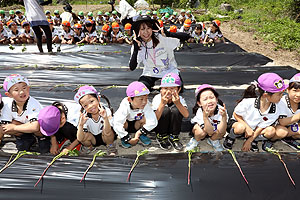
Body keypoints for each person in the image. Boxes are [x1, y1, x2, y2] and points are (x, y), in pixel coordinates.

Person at [223, 73, 287, 152]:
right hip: (241, 124)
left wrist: (249, 140)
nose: (281, 97)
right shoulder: (248, 102)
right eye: (279, 94)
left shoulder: (276, 109)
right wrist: (247, 127)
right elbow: (236, 115)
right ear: (265, 95)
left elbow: (261, 126)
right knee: (240, 128)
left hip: (255, 130)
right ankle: (231, 137)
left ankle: (254, 140)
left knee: (271, 131)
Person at [129, 15, 182, 91]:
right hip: (150, 72)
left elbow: (186, 36)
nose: (146, 32)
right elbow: (132, 67)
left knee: (172, 89)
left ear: (152, 29)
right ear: (137, 31)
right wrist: (136, 49)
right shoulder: (138, 44)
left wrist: (168, 34)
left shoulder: (161, 38)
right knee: (140, 90)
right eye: (142, 29)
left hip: (169, 71)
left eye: (148, 28)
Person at [1, 74, 50, 153]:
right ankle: (27, 137)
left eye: (24, 88)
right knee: (6, 125)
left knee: (39, 127)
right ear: (9, 95)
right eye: (16, 90)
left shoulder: (33, 103)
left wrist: (14, 128)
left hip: (38, 130)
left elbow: (35, 127)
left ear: (28, 88)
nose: (22, 92)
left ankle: (42, 138)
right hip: (24, 128)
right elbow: (3, 126)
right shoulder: (8, 105)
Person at [113, 81, 157, 148]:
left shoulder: (146, 104)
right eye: (141, 99)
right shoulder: (124, 105)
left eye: (146, 98)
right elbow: (117, 123)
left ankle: (142, 135)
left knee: (145, 118)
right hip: (126, 126)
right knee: (121, 121)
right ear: (130, 99)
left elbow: (153, 121)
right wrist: (126, 137)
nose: (144, 102)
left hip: (137, 125)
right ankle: (123, 138)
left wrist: (139, 132)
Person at [152, 73, 189, 150]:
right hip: (160, 126)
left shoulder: (180, 99)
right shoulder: (157, 98)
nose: (168, 91)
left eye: (172, 88)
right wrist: (162, 104)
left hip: (173, 127)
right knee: (164, 110)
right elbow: (154, 119)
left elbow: (186, 115)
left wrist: (178, 103)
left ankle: (174, 136)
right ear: (161, 89)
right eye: (165, 88)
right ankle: (162, 136)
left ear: (178, 90)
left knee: (176, 110)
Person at [186, 84, 227, 152]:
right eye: (205, 99)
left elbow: (222, 131)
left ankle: (213, 140)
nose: (209, 101)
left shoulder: (221, 110)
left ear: (216, 99)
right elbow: (210, 132)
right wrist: (205, 117)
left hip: (214, 128)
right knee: (200, 132)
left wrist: (224, 117)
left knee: (222, 131)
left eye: (212, 98)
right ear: (199, 103)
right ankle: (195, 140)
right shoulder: (200, 112)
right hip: (205, 129)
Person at [74, 85, 115, 153]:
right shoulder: (84, 116)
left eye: (91, 101)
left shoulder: (106, 111)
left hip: (105, 137)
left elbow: (108, 131)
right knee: (83, 135)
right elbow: (80, 139)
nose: (90, 106)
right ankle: (89, 147)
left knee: (108, 131)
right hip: (93, 138)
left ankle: (110, 145)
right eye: (85, 105)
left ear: (98, 99)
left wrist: (105, 118)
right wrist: (80, 125)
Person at [276, 73, 300, 150]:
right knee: (282, 132)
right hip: (279, 126)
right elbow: (282, 122)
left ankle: (291, 134)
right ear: (288, 90)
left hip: (293, 126)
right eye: (295, 91)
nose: (298, 95)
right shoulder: (282, 102)